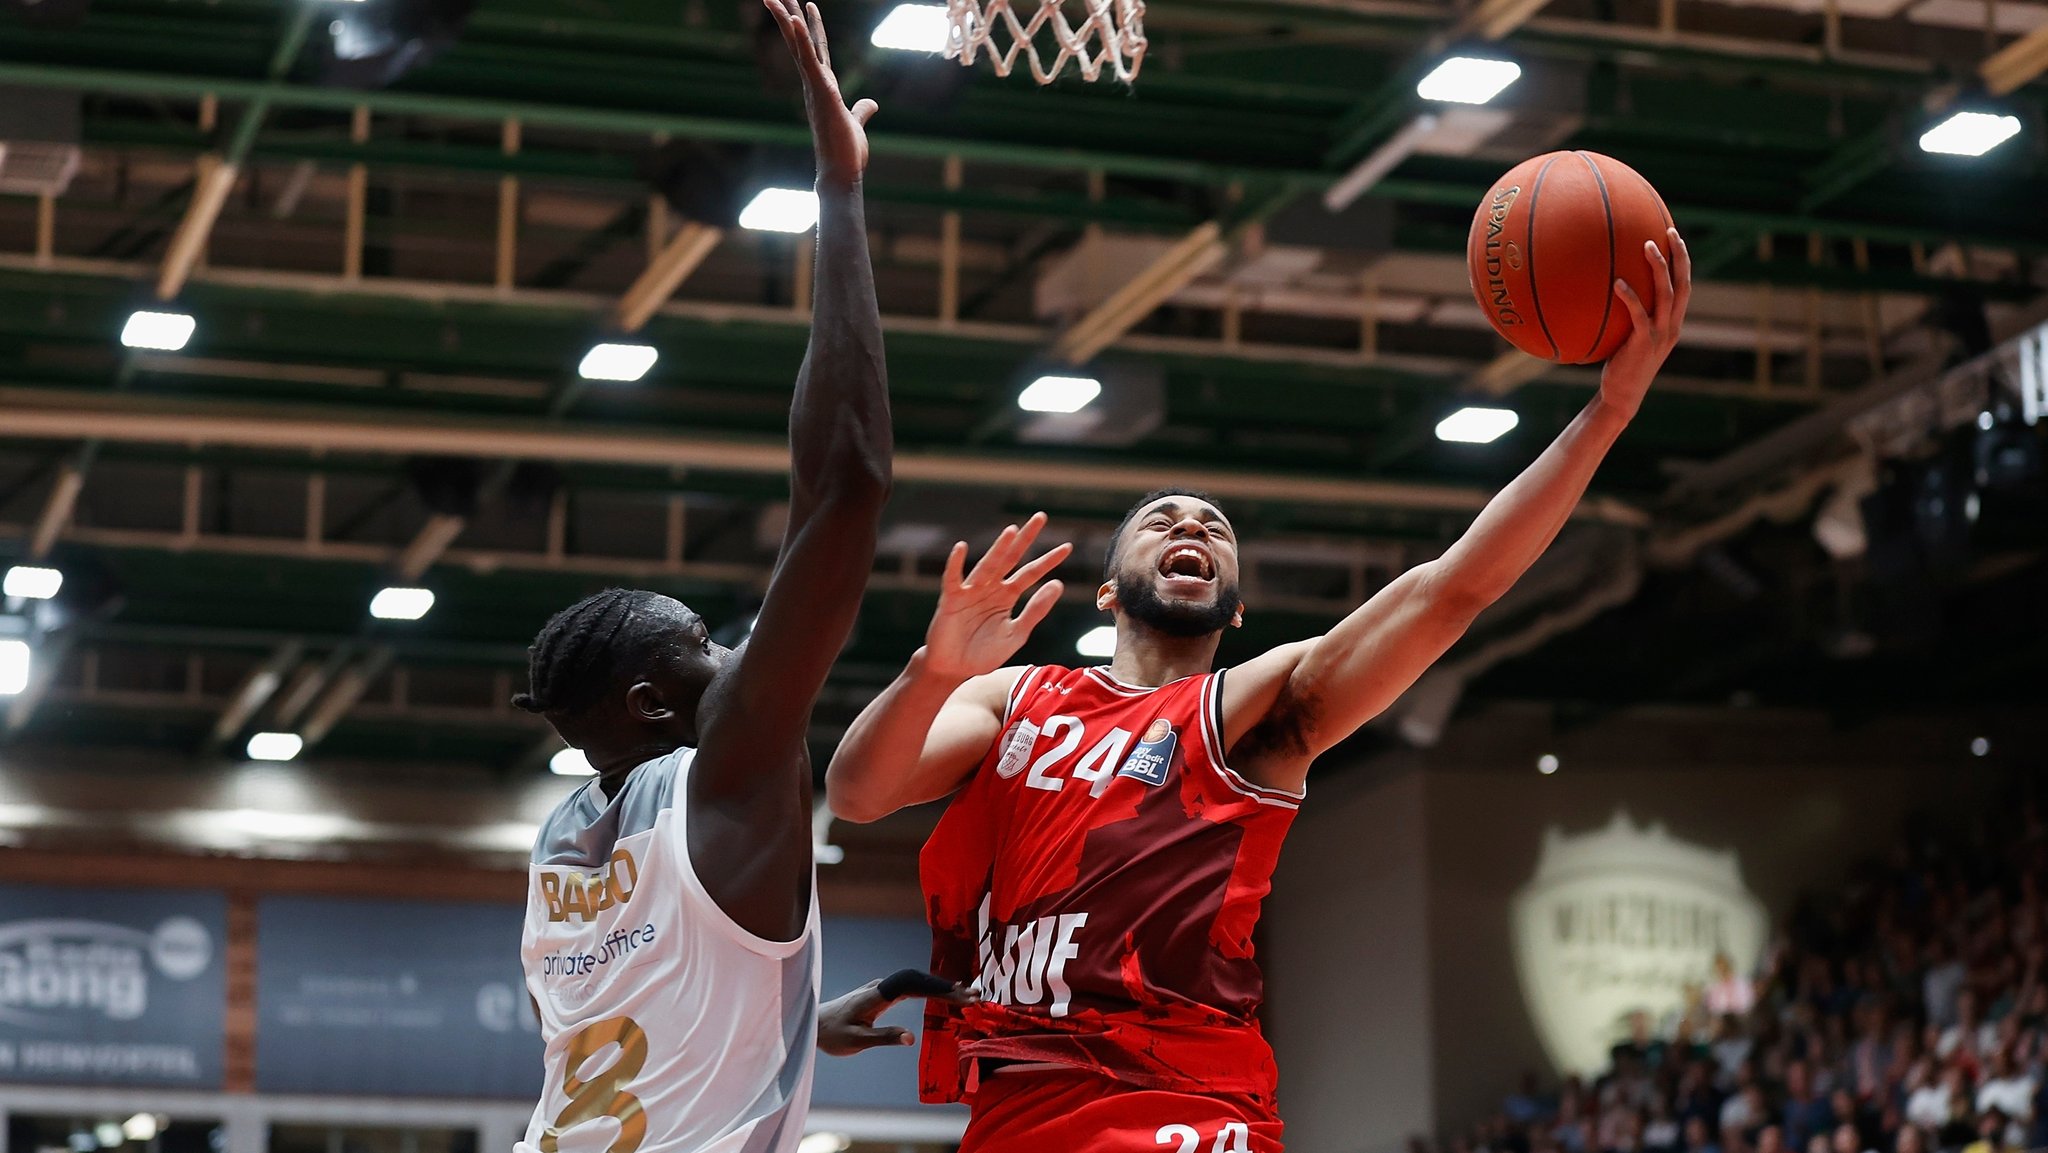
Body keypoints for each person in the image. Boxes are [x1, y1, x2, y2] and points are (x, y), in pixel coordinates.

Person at [826, 233, 1692, 1149]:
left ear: (1235, 610)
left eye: (1216, 527)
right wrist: (933, 671)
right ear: (1110, 589)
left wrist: (1610, 408)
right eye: (1160, 520)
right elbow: (858, 792)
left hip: (1182, 1107)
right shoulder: (1014, 699)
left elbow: (1452, 590)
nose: (1190, 525)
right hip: (1021, 1110)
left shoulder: (1257, 712)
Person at [509, 6, 964, 1151]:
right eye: (702, 644)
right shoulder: (724, 777)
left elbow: (628, 1045)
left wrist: (796, 1021)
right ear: (654, 705)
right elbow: (848, 482)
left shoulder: (564, 847)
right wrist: (839, 191)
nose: (737, 652)